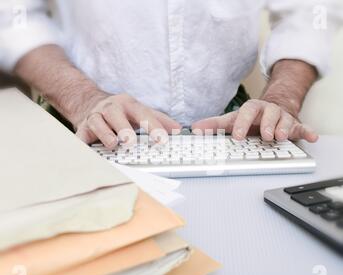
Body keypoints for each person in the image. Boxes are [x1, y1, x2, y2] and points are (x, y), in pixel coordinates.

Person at [0, 0, 340, 149]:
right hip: (79, 122)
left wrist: (282, 99)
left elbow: (310, 10)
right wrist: (84, 99)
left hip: (234, 125)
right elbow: (15, 15)